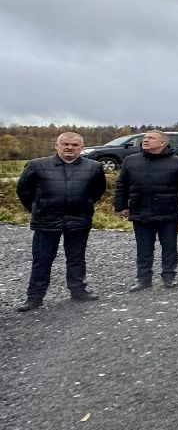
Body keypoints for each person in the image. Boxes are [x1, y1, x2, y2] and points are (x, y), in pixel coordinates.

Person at [15, 131, 107, 311]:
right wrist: (37, 208)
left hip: (79, 220)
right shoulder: (36, 165)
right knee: (42, 260)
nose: (70, 148)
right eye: (65, 144)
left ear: (82, 147)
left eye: (75, 145)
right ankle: (34, 297)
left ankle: (78, 291)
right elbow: (23, 190)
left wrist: (82, 204)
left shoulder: (94, 167)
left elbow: (97, 191)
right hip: (46, 221)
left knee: (76, 258)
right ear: (57, 146)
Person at [114, 129, 178, 291]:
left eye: (151, 138)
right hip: (140, 211)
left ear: (162, 143)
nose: (145, 140)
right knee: (143, 248)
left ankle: (169, 277)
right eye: (145, 137)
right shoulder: (130, 161)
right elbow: (121, 185)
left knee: (169, 247)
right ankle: (143, 279)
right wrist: (121, 206)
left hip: (168, 212)